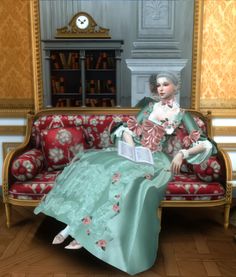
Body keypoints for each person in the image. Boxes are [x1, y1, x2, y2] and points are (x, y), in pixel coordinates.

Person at [34, 71, 217, 275]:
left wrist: (182, 153)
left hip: (156, 160)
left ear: (175, 87)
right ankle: (72, 225)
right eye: (158, 85)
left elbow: (203, 144)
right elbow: (127, 129)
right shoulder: (148, 107)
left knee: (129, 183)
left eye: (165, 84)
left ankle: (84, 234)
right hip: (133, 154)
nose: (161, 88)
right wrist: (131, 149)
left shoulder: (182, 114)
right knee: (94, 168)